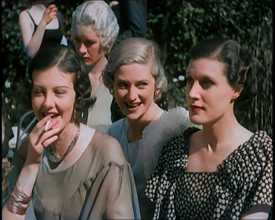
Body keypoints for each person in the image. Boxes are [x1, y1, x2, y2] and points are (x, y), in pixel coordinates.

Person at [2, 45, 140, 219]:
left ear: (78, 95)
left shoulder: (105, 154)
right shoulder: (27, 150)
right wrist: (31, 164)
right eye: (39, 92)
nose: (47, 103)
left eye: (59, 92)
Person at [145, 38, 273, 219]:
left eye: (206, 83)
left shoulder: (259, 156)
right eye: (190, 80)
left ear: (236, 90)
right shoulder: (175, 151)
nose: (191, 93)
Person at [102, 37, 195, 219]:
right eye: (123, 85)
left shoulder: (175, 132)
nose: (131, 95)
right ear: (112, 87)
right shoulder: (113, 135)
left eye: (141, 84)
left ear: (157, 86)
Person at [71, 0, 121, 133]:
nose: (81, 49)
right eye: (77, 40)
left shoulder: (118, 81)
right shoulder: (68, 76)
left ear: (106, 40)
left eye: (89, 42)